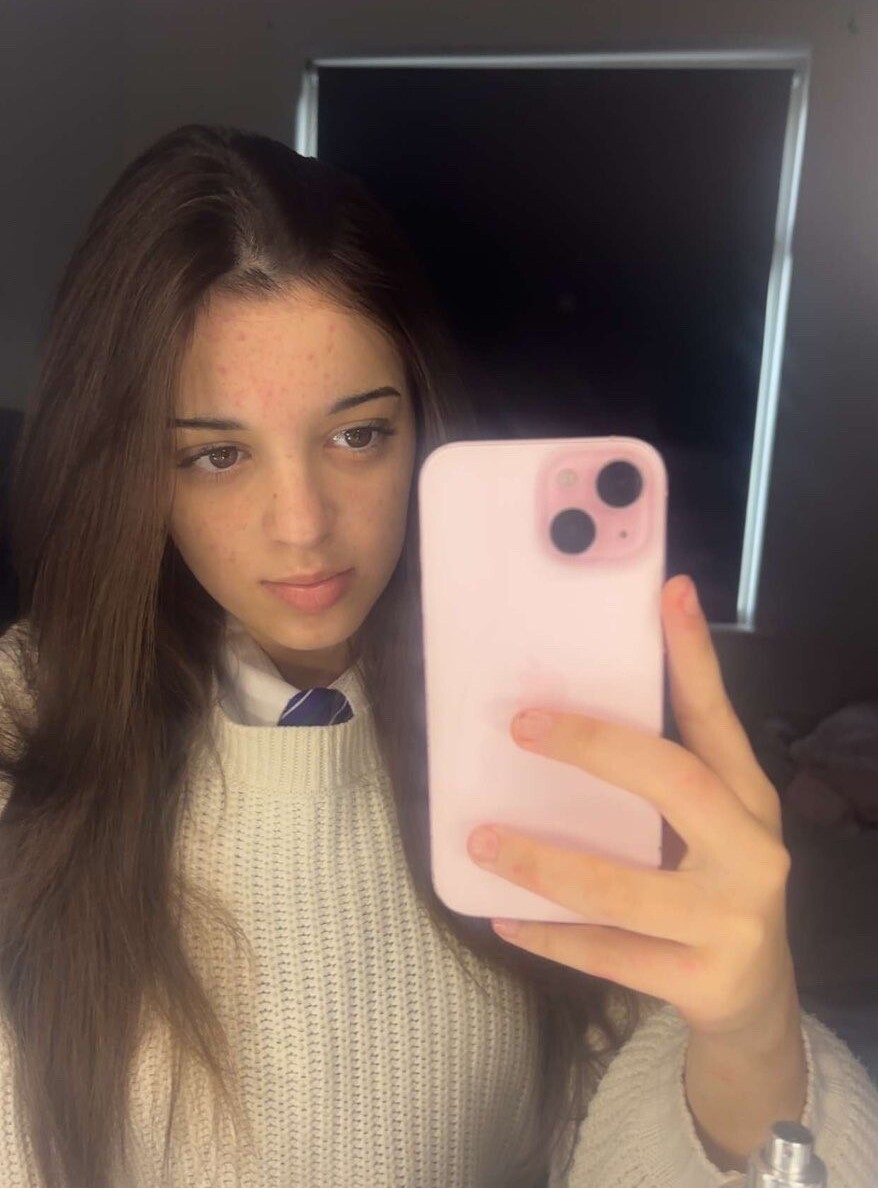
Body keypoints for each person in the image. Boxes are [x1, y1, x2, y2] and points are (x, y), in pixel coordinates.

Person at [0, 124, 875, 1188]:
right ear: (130, 468)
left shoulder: (545, 719)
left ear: (421, 422)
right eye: (218, 454)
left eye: (358, 435)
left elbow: (615, 1128)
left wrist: (751, 1042)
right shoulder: (22, 729)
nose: (302, 525)